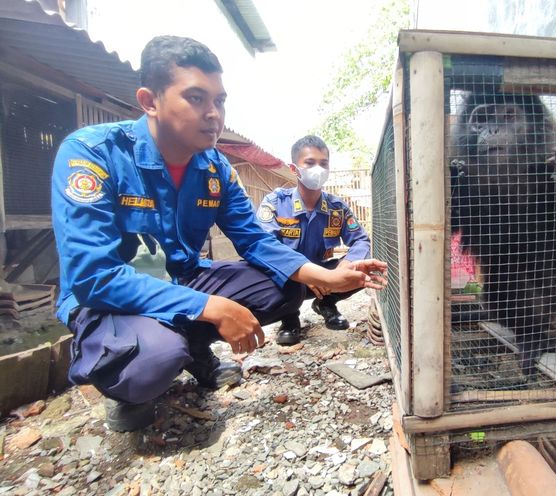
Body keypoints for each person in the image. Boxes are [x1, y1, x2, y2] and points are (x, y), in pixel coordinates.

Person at [50, 36, 387, 432]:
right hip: (111, 298)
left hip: (182, 277)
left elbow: (254, 239)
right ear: (149, 101)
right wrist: (212, 307)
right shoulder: (94, 153)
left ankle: (191, 349)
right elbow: (95, 277)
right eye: (196, 98)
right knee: (153, 361)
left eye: (220, 100)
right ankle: (127, 384)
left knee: (284, 287)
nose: (214, 114)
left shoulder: (216, 168)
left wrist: (326, 276)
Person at [258, 136, 371, 345]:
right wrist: (303, 272)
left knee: (366, 264)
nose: (317, 169)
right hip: (288, 277)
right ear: (294, 168)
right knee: (264, 270)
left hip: (325, 279)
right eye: (310, 163)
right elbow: (265, 247)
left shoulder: (337, 208)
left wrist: (343, 269)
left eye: (323, 163)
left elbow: (361, 241)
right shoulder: (275, 203)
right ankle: (289, 317)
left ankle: (326, 303)